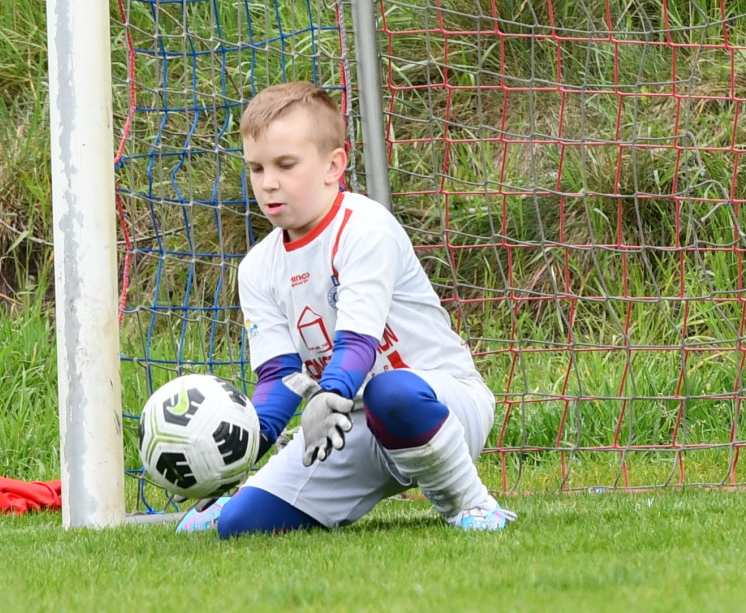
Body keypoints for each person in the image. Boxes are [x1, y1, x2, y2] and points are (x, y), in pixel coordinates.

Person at [176, 81, 515, 537]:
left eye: (285, 165)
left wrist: (329, 395)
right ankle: (239, 496)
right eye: (256, 168)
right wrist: (231, 454)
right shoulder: (257, 267)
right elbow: (279, 377)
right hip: (344, 422)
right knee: (240, 526)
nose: (268, 182)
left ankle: (469, 503)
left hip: (439, 405)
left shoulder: (365, 227)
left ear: (334, 165)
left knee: (390, 394)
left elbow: (358, 342)